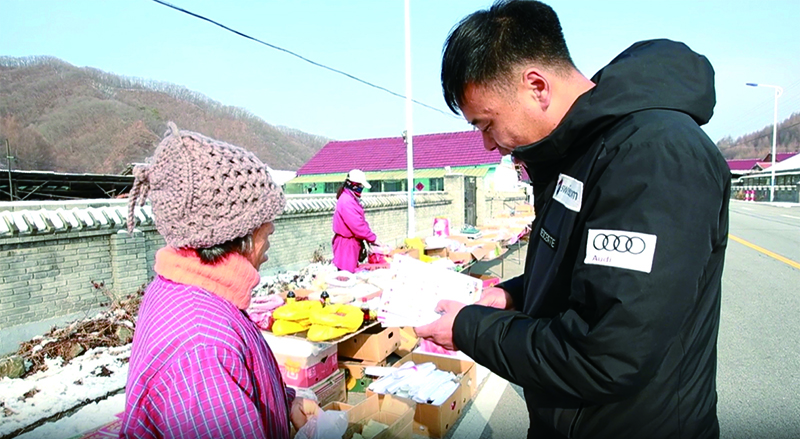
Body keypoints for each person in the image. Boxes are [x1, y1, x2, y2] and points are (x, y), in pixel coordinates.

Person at [415, 1, 730, 438]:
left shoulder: (653, 156)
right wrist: (512, 297)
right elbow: (587, 272)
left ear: (536, 86)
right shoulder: (580, 153)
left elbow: (605, 353)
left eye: (487, 123)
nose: (488, 144)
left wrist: (471, 329)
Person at [121, 122, 319, 438]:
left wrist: (283, 404)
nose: (269, 240)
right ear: (238, 235)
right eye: (266, 229)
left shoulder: (191, 288)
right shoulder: (202, 347)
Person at [332, 169, 379, 272]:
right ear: (355, 185)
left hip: (350, 244)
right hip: (346, 246)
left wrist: (369, 236)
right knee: (346, 276)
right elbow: (357, 225)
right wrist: (372, 238)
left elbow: (361, 221)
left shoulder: (351, 199)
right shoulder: (347, 201)